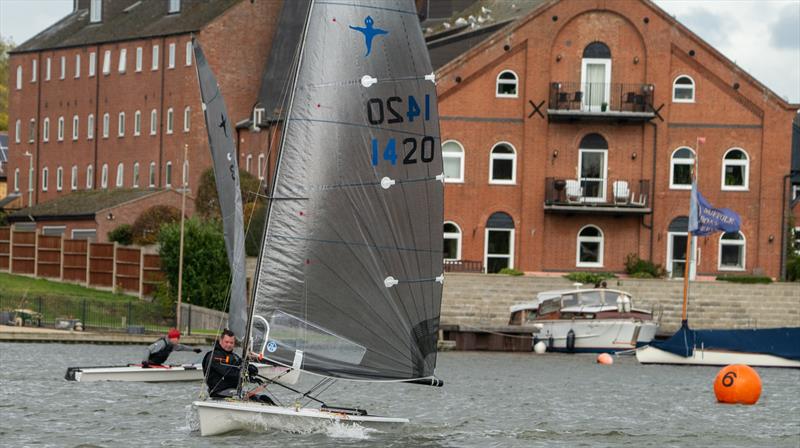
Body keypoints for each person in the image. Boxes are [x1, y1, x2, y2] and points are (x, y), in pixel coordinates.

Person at [202, 328, 274, 404]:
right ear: (220, 341)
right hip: (219, 393)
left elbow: (243, 366)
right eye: (226, 342)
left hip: (233, 391)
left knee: (265, 399)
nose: (229, 345)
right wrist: (247, 377)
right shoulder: (214, 356)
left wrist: (252, 370)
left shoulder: (234, 356)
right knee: (254, 399)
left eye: (231, 343)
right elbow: (228, 372)